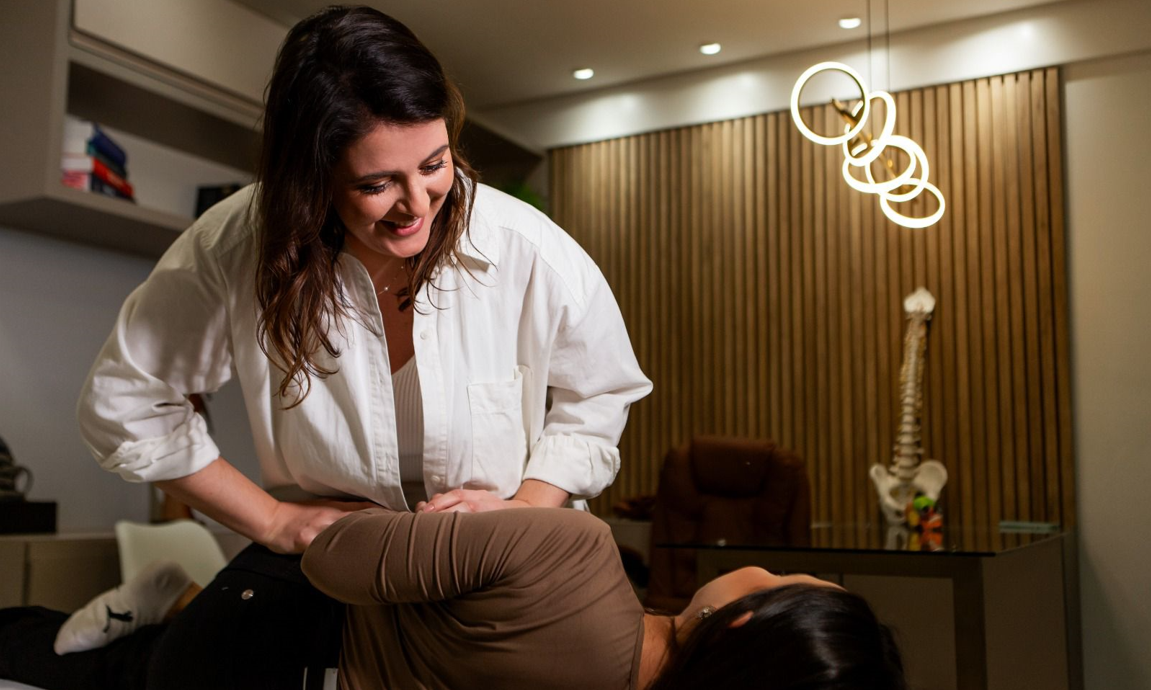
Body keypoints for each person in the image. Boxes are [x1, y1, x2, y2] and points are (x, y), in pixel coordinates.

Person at [69, 3, 650, 685]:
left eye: (434, 164)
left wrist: (524, 511)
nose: (418, 205)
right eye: (376, 184)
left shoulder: (529, 248)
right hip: (329, 554)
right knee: (176, 674)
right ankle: (156, 608)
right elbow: (124, 404)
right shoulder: (233, 246)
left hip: (496, 558)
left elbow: (600, 394)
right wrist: (273, 518)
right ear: (310, 178)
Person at [0, 509, 907, 690]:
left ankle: (171, 597)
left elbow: (335, 557)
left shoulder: (577, 555)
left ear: (744, 619)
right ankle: (160, 606)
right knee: (102, 663)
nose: (766, 567)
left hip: (263, 633)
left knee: (309, 527)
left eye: (784, 580)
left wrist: (443, 525)